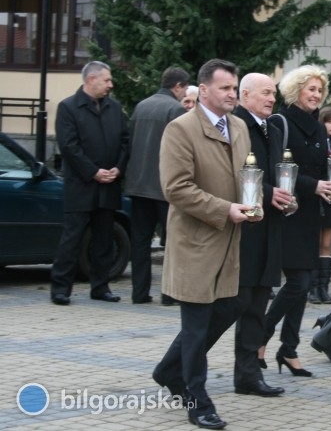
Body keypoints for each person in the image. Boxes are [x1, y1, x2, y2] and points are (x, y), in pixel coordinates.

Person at [152, 58, 261, 430]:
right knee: (197, 324)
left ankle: (168, 369)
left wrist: (256, 202)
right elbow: (176, 188)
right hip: (197, 242)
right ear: (205, 90)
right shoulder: (180, 129)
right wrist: (224, 209)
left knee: (232, 305)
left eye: (235, 88)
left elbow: (246, 175)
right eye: (226, 88)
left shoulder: (240, 127)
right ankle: (197, 401)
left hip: (230, 240)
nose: (233, 94)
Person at [260, 65, 331, 377]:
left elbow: (321, 168)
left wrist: (330, 185)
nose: (317, 95)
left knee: (302, 283)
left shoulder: (319, 127)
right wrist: (314, 186)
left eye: (320, 90)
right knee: (299, 282)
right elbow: (280, 168)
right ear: (296, 91)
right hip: (288, 211)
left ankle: (288, 349)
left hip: (310, 213)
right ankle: (262, 336)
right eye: (311, 89)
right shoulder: (281, 121)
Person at [231, 72, 292, 397]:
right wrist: (269, 192)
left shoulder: (271, 126)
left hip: (268, 228)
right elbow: (236, 172)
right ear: (245, 94)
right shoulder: (237, 125)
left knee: (256, 307)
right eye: (265, 93)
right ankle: (176, 367)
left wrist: (285, 195)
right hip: (244, 231)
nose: (271, 98)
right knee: (234, 306)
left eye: (273, 93)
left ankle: (248, 375)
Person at [50, 61, 130, 306]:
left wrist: (118, 167)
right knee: (72, 239)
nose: (110, 85)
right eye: (106, 80)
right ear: (90, 80)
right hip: (81, 186)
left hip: (108, 185)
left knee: (104, 240)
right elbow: (69, 147)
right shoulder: (68, 107)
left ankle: (100, 286)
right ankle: (61, 289)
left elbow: (126, 141)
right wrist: (93, 172)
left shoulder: (114, 108)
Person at [125, 66, 189, 305]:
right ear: (178, 86)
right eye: (184, 89)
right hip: (164, 187)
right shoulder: (175, 109)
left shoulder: (141, 106)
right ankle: (169, 294)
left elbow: (130, 144)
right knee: (173, 241)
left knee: (140, 241)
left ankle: (139, 293)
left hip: (139, 185)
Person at [309, 106, 331, 305]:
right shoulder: (316, 143)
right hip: (317, 197)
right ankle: (313, 288)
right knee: (315, 242)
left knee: (326, 244)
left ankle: (324, 288)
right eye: (329, 121)